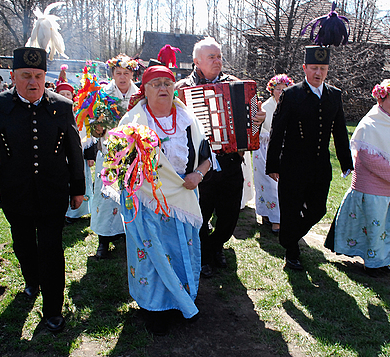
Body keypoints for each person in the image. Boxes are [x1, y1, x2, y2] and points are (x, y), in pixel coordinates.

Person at [0, 47, 85, 333]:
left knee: (51, 249)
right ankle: (32, 279)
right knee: (23, 244)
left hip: (52, 192)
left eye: (38, 76)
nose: (33, 82)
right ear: (12, 76)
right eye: (26, 76)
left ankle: (52, 309)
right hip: (15, 192)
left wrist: (78, 189)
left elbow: (74, 151)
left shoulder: (62, 106)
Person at [118, 65, 210, 335]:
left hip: (182, 197)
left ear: (174, 88)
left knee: (181, 250)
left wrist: (197, 175)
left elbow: (206, 157)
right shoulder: (132, 122)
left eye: (167, 84)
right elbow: (120, 166)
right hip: (147, 202)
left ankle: (180, 301)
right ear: (144, 90)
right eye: (156, 84)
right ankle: (154, 308)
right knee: (152, 255)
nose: (162, 89)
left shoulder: (188, 121)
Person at [175, 37, 266, 278]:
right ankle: (205, 253)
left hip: (230, 161)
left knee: (229, 216)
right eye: (211, 57)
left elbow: (254, 123)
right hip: (197, 164)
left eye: (219, 56)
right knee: (200, 214)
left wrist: (258, 120)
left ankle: (216, 245)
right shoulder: (181, 88)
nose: (218, 61)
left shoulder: (238, 85)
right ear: (196, 61)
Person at [266, 46, 354, 271]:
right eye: (314, 68)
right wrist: (273, 164)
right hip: (292, 165)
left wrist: (346, 162)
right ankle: (292, 252)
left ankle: (288, 237)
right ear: (305, 68)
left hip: (320, 166)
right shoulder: (292, 94)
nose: (318, 73)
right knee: (291, 209)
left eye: (323, 69)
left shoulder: (334, 95)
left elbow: (340, 131)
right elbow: (277, 131)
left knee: (318, 210)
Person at [326, 79, 390, 276]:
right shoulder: (370, 124)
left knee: (389, 228)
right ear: (380, 100)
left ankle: (384, 258)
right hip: (374, 190)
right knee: (374, 228)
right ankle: (372, 261)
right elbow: (369, 158)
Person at [91, 54, 139, 259]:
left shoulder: (140, 95)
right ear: (112, 73)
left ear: (132, 74)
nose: (122, 77)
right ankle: (103, 240)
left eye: (126, 73)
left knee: (131, 196)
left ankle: (129, 236)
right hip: (109, 153)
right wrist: (98, 128)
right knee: (106, 197)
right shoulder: (103, 94)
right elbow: (92, 127)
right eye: (118, 73)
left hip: (132, 154)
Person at [254, 74, 294, 235]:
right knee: (266, 184)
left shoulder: (292, 104)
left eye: (284, 89)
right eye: (278, 89)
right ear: (272, 90)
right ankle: (268, 215)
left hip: (285, 149)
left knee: (281, 184)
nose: (281, 92)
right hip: (265, 149)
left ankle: (279, 217)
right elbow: (259, 128)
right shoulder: (266, 106)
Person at [56, 82, 95, 223]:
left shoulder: (81, 113)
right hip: (60, 158)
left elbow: (89, 136)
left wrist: (90, 156)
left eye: (68, 94)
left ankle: (76, 212)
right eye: (62, 94)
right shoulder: (53, 111)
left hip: (79, 158)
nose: (65, 97)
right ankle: (63, 211)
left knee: (79, 182)